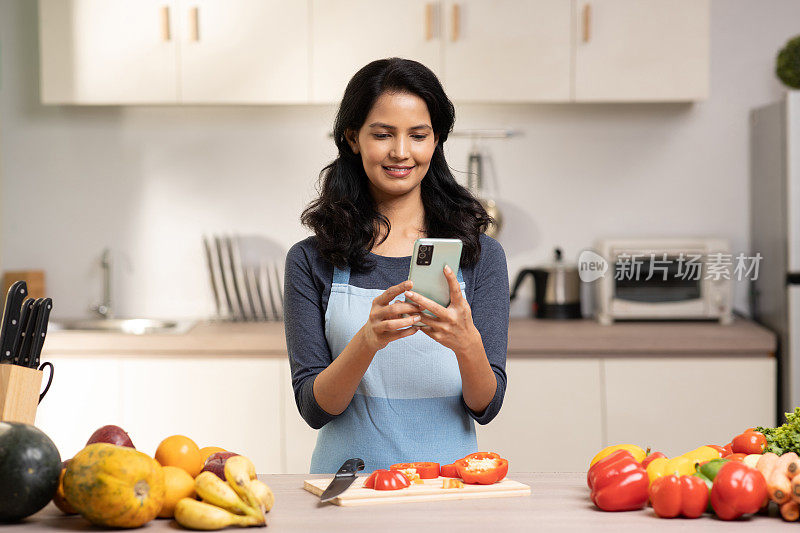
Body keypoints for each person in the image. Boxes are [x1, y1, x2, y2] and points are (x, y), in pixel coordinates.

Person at [284, 58, 509, 474]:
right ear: (353, 138)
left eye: (418, 135)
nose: (401, 152)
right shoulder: (311, 259)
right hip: (346, 490)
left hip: (447, 489)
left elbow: (486, 406)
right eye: (383, 134)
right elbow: (314, 408)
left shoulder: (480, 256)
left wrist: (466, 342)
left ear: (436, 139)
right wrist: (367, 340)